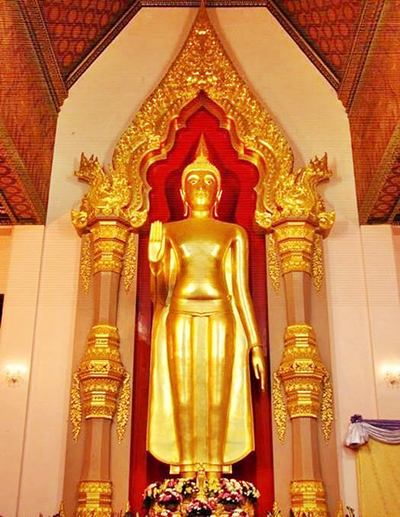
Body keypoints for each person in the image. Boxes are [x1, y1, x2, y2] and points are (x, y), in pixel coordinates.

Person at [147, 136, 265, 478]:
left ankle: (215, 475)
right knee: (183, 396)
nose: (200, 186)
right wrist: (155, 264)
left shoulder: (233, 233)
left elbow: (240, 292)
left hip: (222, 316)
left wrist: (255, 345)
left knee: (217, 396)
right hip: (180, 314)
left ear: (219, 192)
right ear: (183, 192)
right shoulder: (169, 231)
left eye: (208, 181)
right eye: (194, 181)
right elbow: (161, 295)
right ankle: (185, 474)